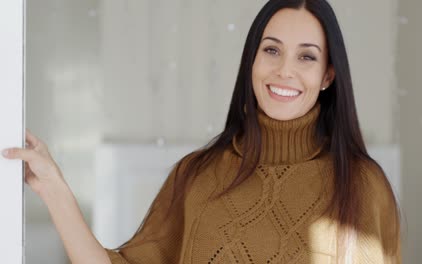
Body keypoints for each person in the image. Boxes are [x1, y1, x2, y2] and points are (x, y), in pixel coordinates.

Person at [2, 0, 401, 263]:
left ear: (328, 74)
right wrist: (53, 188)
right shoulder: (197, 176)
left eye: (307, 56)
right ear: (252, 61)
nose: (285, 70)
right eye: (272, 50)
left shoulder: (362, 186)